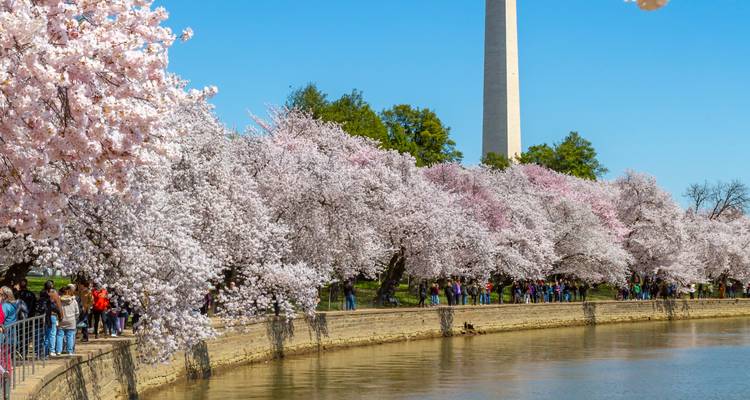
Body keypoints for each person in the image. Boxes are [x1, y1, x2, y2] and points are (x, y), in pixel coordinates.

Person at [37, 280, 63, 357]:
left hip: (42, 316)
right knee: (52, 334)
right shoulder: (54, 294)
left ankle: (44, 351)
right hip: (52, 315)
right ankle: (51, 350)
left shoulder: (41, 294)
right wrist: (61, 315)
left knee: (44, 334)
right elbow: (57, 306)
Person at [57, 285, 79, 355]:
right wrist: (74, 318)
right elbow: (77, 312)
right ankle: (70, 351)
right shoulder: (74, 301)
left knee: (60, 335)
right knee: (70, 335)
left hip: (62, 319)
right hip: (71, 320)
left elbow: (57, 310)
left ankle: (58, 351)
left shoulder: (59, 301)